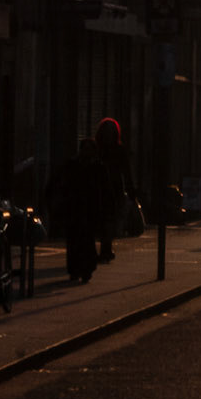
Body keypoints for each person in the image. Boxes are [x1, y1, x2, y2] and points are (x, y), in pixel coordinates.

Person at [53, 138, 107, 283]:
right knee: (75, 241)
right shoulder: (73, 165)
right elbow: (63, 184)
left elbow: (103, 191)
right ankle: (76, 270)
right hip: (75, 208)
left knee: (86, 240)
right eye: (85, 149)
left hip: (88, 209)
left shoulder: (96, 167)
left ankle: (85, 269)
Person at [94, 116, 136, 264]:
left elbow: (126, 170)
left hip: (103, 188)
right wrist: (131, 190)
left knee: (105, 220)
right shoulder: (118, 149)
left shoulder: (98, 148)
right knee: (108, 220)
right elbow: (126, 171)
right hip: (110, 188)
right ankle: (106, 248)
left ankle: (105, 248)